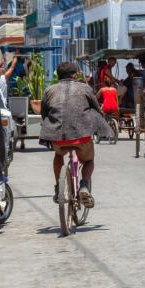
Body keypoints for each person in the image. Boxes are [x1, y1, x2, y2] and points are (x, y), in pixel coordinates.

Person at [40, 62, 110, 207]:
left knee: (58, 156)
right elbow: (96, 108)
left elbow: (44, 113)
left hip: (58, 137)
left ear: (58, 75)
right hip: (82, 137)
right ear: (75, 75)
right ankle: (84, 185)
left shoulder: (49, 90)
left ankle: (58, 187)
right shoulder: (85, 88)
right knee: (89, 160)